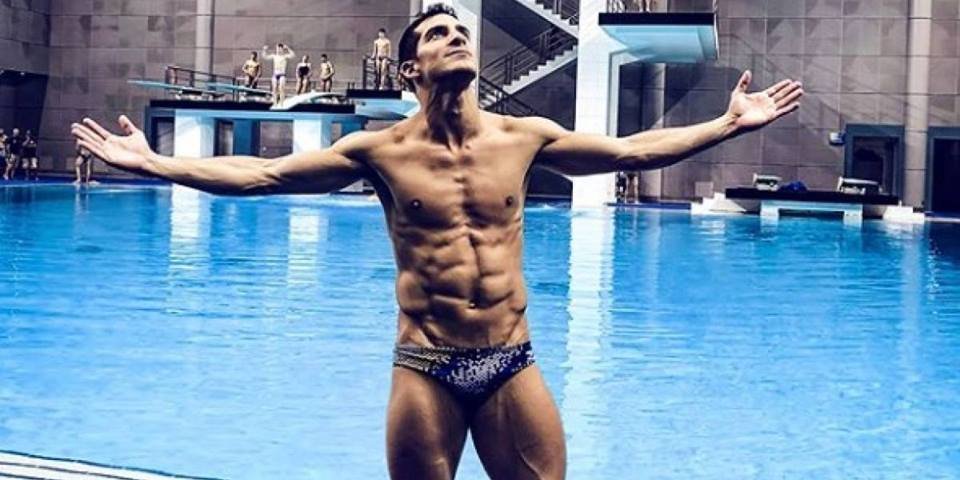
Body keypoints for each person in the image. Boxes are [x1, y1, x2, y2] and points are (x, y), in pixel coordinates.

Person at [70, 5, 802, 478]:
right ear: (410, 68)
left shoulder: (524, 137)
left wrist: (726, 125)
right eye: (438, 35)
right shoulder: (379, 151)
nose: (456, 38)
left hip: (510, 360)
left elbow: (631, 151)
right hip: (426, 365)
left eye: (461, 32)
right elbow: (263, 174)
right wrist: (157, 164)